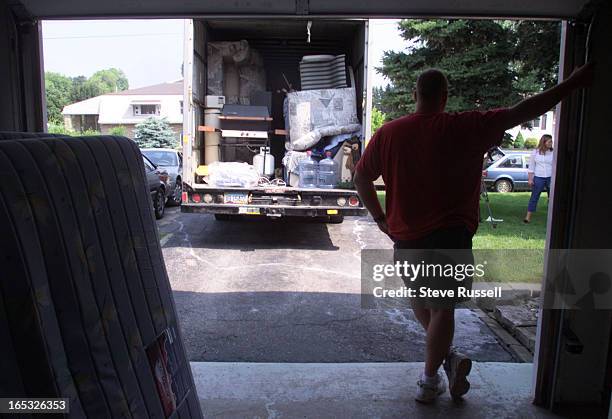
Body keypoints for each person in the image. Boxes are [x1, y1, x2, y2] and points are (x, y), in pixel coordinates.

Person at [354, 64, 593, 404]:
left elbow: (361, 179)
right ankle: (429, 379)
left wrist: (379, 219)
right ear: (445, 96)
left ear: (415, 95)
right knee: (441, 308)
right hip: (451, 237)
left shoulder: (389, 133)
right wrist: (570, 85)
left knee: (424, 302)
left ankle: (442, 366)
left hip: (405, 237)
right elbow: (523, 110)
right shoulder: (467, 126)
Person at [524, 134, 554, 223]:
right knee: (534, 197)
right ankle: (527, 217)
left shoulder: (553, 152)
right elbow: (531, 166)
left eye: (551, 141)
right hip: (538, 178)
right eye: (549, 142)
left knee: (552, 197)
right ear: (544, 142)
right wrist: (530, 179)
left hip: (550, 177)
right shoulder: (535, 152)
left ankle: (552, 217)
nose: (551, 143)